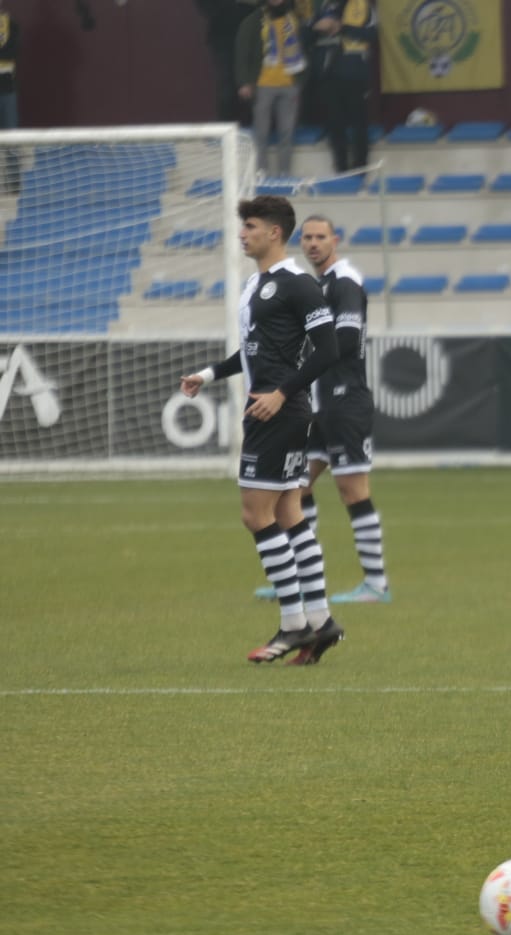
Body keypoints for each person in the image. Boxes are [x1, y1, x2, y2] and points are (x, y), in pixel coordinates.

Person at [180, 195, 346, 665]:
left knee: (256, 515)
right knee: (290, 513)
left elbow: (329, 348)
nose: (242, 233)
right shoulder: (258, 285)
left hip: (278, 412)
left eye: (250, 226)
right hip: (281, 411)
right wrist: (208, 375)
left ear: (274, 232)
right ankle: (321, 621)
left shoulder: (296, 285)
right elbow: (252, 353)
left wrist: (280, 392)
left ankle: (292, 625)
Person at [254, 215, 391, 605]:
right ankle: (299, 578)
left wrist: (298, 367)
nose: (313, 243)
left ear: (335, 239)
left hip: (345, 401)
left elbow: (346, 341)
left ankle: (377, 585)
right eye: (308, 238)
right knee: (298, 487)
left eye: (320, 237)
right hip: (318, 403)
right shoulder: (319, 284)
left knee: (352, 490)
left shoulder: (344, 280)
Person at [235, 0, 309, 178]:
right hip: (263, 85)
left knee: (287, 134)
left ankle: (285, 174)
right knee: (261, 134)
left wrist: (300, 83)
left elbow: (305, 52)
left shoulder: (295, 20)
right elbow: (242, 52)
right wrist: (244, 82)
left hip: (290, 85)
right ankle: (262, 173)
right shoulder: (254, 21)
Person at [310, 0, 377, 174]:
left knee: (358, 124)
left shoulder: (363, 5)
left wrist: (342, 27)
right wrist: (316, 28)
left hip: (354, 74)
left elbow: (373, 35)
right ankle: (341, 169)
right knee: (335, 126)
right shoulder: (325, 6)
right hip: (328, 75)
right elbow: (308, 36)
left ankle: (361, 170)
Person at [0, 0, 19, 193]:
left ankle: (14, 184)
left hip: (7, 89)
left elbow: (13, 50)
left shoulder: (12, 24)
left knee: (11, 137)